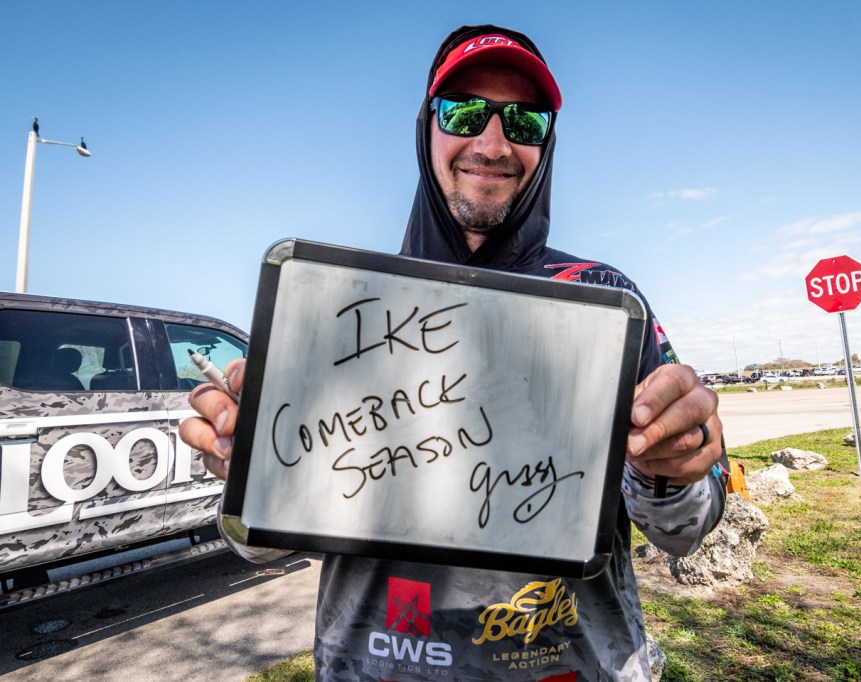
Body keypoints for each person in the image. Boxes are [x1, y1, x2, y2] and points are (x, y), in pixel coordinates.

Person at [182, 24, 727, 681]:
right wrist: (244, 470)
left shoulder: (604, 302)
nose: (493, 143)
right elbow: (261, 548)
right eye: (464, 112)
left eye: (524, 121)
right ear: (427, 128)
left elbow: (682, 532)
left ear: (546, 143)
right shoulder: (339, 307)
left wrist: (674, 470)